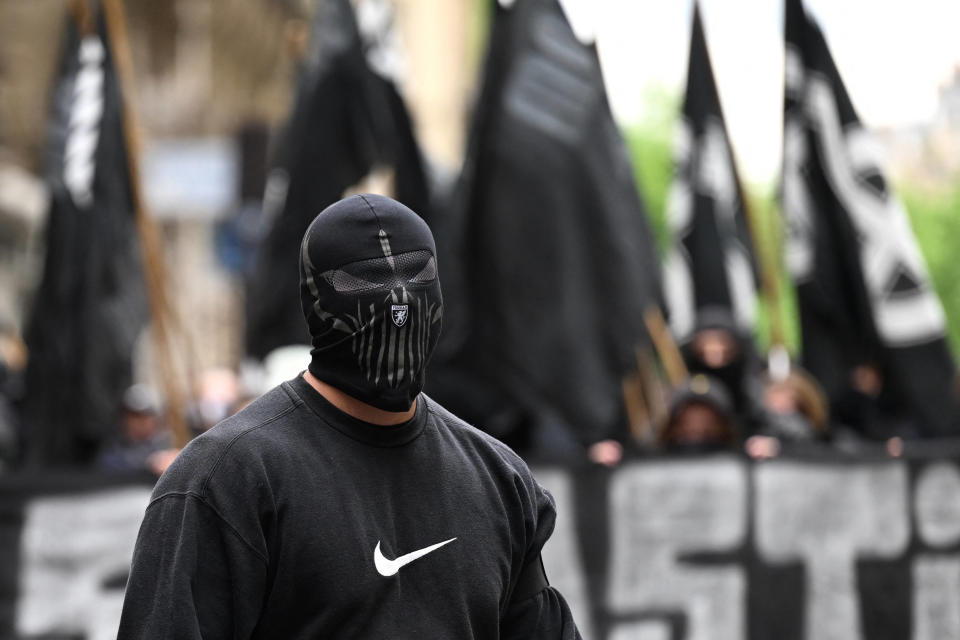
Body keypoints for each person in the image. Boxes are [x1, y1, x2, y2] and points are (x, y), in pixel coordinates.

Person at [117, 194, 582, 639]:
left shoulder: (499, 482)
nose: (400, 303)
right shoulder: (226, 481)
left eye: (417, 275)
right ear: (315, 298)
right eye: (366, 281)